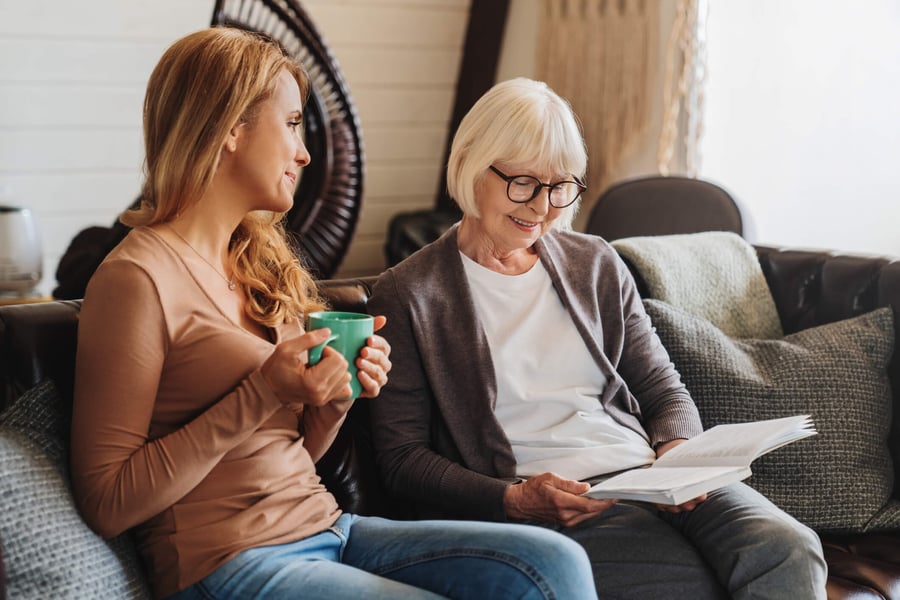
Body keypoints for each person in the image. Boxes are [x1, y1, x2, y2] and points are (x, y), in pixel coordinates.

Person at [70, 29, 597, 600]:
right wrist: (262, 392)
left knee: (556, 564)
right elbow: (107, 502)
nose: (304, 151)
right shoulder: (136, 279)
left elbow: (291, 450)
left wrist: (334, 397)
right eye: (292, 124)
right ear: (229, 129)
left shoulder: (259, 262)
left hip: (326, 528)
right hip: (224, 560)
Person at [367, 77, 828, 599]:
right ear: (472, 162)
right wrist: (513, 499)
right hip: (558, 504)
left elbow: (662, 389)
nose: (542, 208)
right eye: (522, 183)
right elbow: (402, 460)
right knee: (685, 584)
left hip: (650, 477)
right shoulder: (408, 294)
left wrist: (678, 451)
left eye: (560, 186)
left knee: (789, 547)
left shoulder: (595, 264)